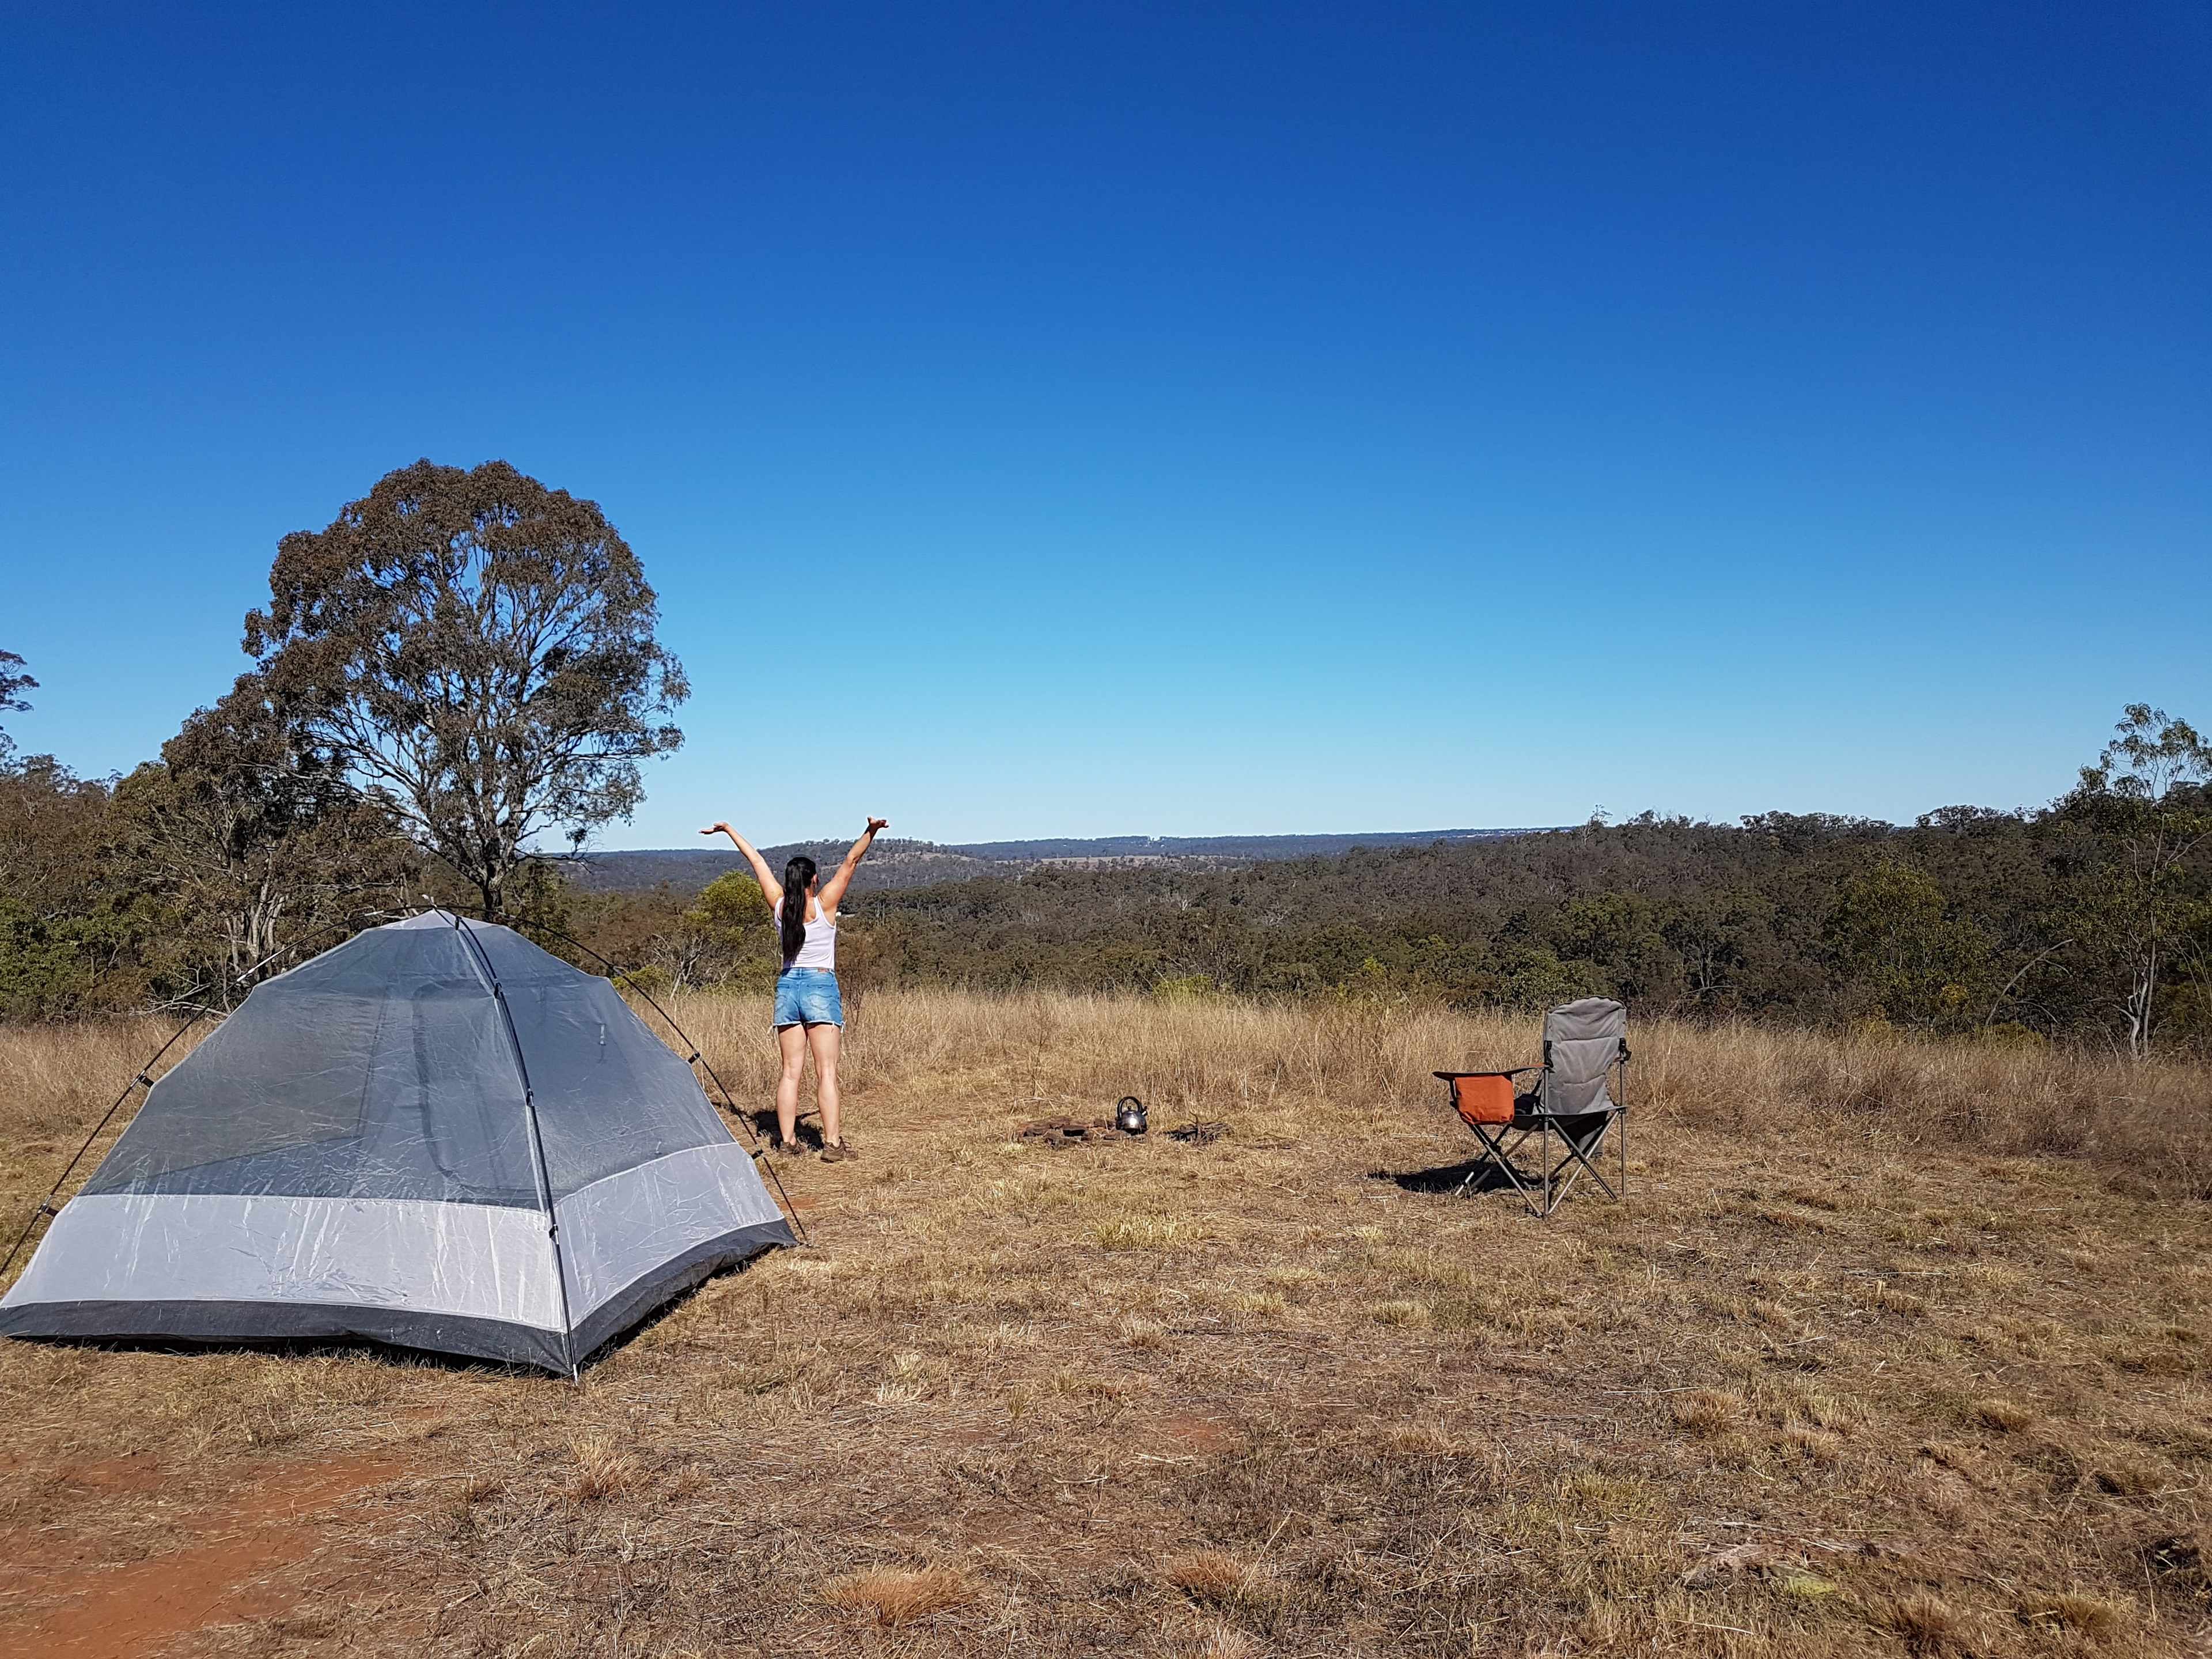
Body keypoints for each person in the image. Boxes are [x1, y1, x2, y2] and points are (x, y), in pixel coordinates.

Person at [699, 817, 888, 1162]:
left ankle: (787, 1142)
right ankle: (832, 1145)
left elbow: (756, 861)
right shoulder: (825, 904)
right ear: (814, 879)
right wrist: (871, 831)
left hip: (787, 986)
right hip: (819, 984)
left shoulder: (779, 906)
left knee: (790, 1071)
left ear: (788, 880)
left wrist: (728, 831)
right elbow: (851, 861)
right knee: (826, 1072)